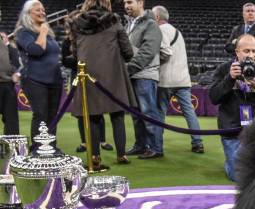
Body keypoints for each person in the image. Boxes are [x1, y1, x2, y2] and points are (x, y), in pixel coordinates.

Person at [69, 0, 137, 169]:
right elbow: (127, 51)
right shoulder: (113, 21)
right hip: (113, 74)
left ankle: (95, 156)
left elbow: (75, 52)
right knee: (117, 115)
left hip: (88, 74)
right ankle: (121, 154)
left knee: (92, 116)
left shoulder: (77, 23)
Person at [209, 34, 255, 181]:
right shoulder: (224, 69)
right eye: (246, 51)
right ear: (237, 52)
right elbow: (213, 98)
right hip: (232, 132)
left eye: (254, 51)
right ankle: (230, 163)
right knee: (239, 176)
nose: (251, 55)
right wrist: (230, 78)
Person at [152, 5, 204, 154]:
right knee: (189, 113)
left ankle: (157, 148)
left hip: (166, 80)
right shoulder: (177, 31)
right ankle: (198, 143)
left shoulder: (160, 30)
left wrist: (154, 61)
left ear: (157, 18)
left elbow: (166, 53)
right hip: (183, 80)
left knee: (159, 114)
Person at [14, 0, 62, 143]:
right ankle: (37, 150)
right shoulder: (23, 32)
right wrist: (42, 32)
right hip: (34, 80)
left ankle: (52, 148)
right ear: (28, 13)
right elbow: (36, 50)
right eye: (38, 10)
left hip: (54, 80)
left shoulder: (48, 34)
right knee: (40, 115)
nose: (42, 13)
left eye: (43, 10)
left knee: (53, 116)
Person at [123, 0, 163, 159]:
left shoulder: (150, 24)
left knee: (148, 113)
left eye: (130, 1)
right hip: (134, 74)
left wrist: (127, 69)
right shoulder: (129, 24)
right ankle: (140, 145)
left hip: (145, 75)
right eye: (124, 2)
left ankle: (155, 148)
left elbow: (147, 52)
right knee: (136, 114)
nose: (126, 5)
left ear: (141, 2)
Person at [0, 30, 20, 135]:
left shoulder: (12, 50)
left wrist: (10, 71)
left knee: (11, 116)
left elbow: (16, 64)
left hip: (7, 84)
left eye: (2, 37)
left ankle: (12, 144)